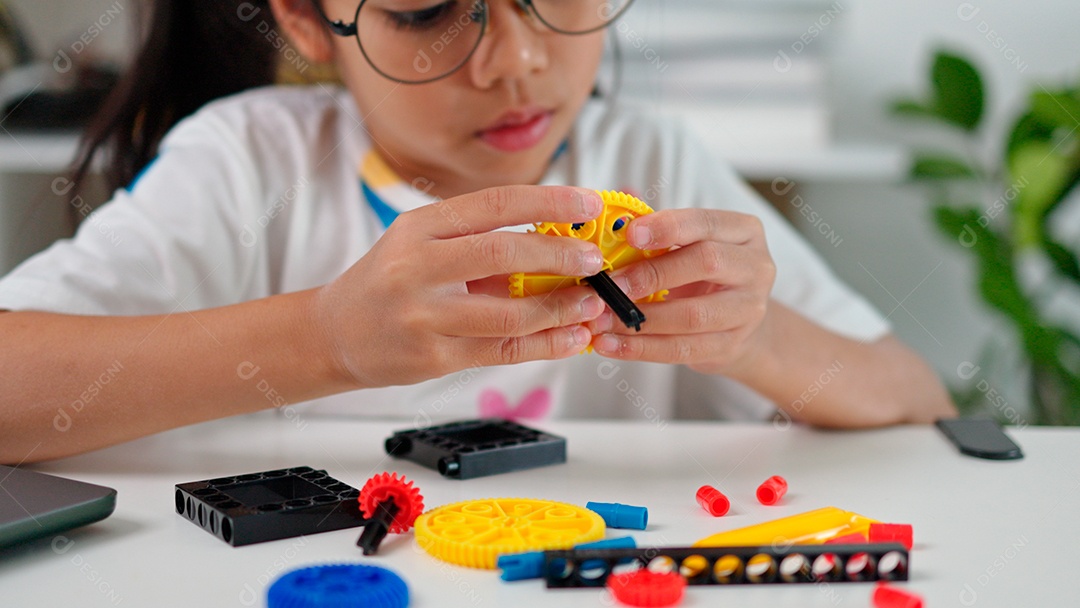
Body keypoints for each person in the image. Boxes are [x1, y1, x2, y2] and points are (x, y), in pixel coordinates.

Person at [0, 0, 954, 464]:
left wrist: (756, 337)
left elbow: (917, 401)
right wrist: (326, 340)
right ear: (306, 20)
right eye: (429, 11)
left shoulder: (652, 160)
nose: (517, 60)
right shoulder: (246, 164)